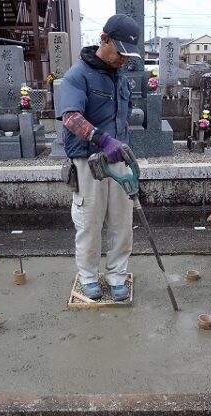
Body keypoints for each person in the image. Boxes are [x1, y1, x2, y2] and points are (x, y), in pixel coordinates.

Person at [56, 14, 140, 301]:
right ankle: (89, 277)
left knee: (121, 223)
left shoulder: (121, 79)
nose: (124, 60)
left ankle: (117, 276)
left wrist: (123, 146)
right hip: (88, 162)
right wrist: (103, 139)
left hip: (117, 160)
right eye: (121, 53)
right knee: (90, 224)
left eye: (129, 55)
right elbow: (70, 118)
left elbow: (124, 119)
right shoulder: (77, 75)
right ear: (104, 40)